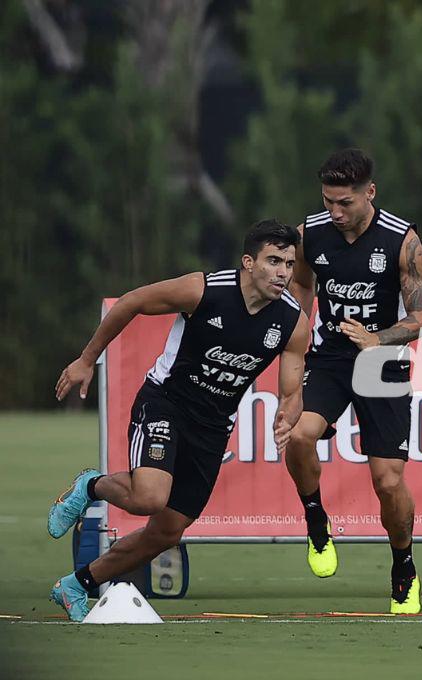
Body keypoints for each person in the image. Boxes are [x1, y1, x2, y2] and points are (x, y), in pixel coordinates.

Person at [48, 220, 309, 622]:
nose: (283, 273)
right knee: (150, 497)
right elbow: (132, 301)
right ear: (248, 262)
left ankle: (75, 586)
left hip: (212, 428)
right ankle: (90, 485)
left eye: (289, 264)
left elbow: (292, 391)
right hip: (165, 404)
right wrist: (86, 360)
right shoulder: (204, 290)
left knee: (167, 532)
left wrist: (286, 417)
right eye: (273, 261)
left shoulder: (292, 322)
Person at [284, 148, 422, 614]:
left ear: (370, 193)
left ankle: (403, 564)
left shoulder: (403, 241)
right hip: (329, 359)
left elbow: (420, 317)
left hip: (382, 362)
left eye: (345, 202)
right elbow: (302, 285)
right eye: (328, 201)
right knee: (299, 437)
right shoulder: (311, 234)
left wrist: (377, 338)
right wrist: (298, 332)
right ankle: (316, 520)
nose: (335, 212)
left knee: (387, 483)